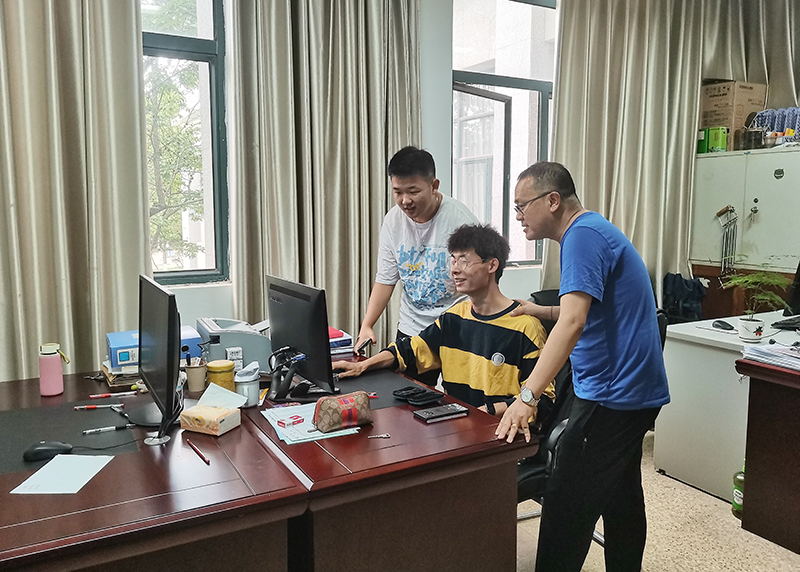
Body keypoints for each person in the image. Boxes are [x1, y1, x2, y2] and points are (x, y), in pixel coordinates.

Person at [496, 162, 670, 572]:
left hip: (614, 396)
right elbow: (588, 308)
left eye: (521, 206)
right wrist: (539, 310)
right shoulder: (590, 230)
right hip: (633, 391)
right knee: (621, 494)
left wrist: (527, 396)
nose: (518, 216)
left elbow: (574, 322)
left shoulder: (581, 237)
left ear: (553, 200)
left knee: (566, 503)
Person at [335, 224, 554, 419]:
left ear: (492, 265)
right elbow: (408, 350)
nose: (454, 269)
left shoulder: (526, 327)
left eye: (464, 260)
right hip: (458, 428)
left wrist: (485, 412)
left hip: (500, 433)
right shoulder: (454, 318)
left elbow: (541, 400)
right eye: (453, 259)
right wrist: (363, 365)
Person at [355, 146, 478, 385]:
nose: (405, 201)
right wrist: (367, 325)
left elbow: (479, 283)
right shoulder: (393, 222)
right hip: (412, 328)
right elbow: (385, 279)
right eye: (397, 192)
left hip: (456, 327)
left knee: (457, 400)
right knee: (406, 396)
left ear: (434, 185)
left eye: (413, 191)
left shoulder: (462, 223)